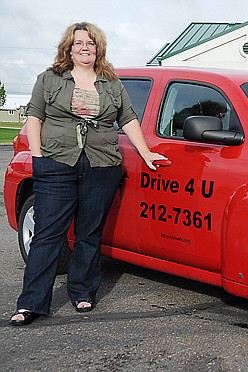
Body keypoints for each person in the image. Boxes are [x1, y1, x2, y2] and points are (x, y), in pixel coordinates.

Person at [9, 22, 167, 326]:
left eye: (90, 43)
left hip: (101, 163)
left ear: (99, 48)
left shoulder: (111, 82)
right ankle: (30, 303)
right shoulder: (50, 79)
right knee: (47, 235)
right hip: (56, 162)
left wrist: (146, 152)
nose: (85, 48)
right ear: (68, 48)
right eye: (78, 43)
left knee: (89, 233)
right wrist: (39, 156)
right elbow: (34, 115)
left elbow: (128, 118)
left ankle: (82, 291)